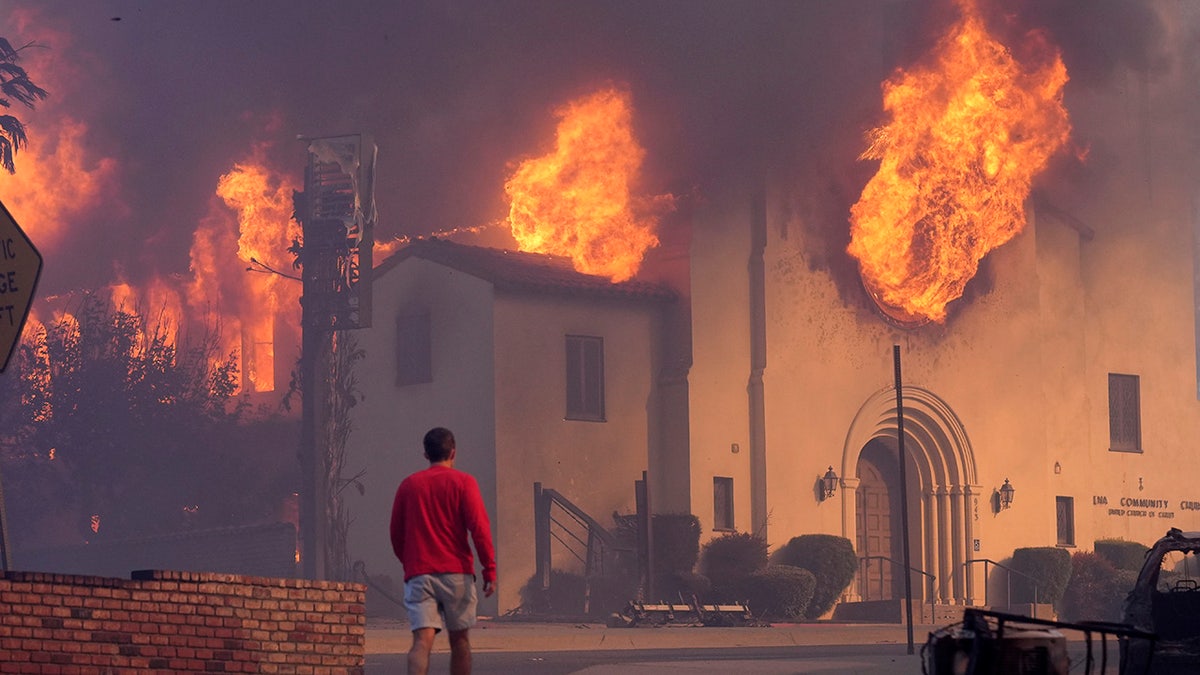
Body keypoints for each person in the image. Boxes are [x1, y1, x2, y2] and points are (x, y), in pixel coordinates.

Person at [390, 427, 497, 675]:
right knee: (460, 642)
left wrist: (409, 563)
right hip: (457, 574)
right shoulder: (464, 483)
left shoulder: (409, 485)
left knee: (421, 642)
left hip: (420, 574)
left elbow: (396, 532)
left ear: (426, 454)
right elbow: (479, 528)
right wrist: (489, 569)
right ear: (453, 452)